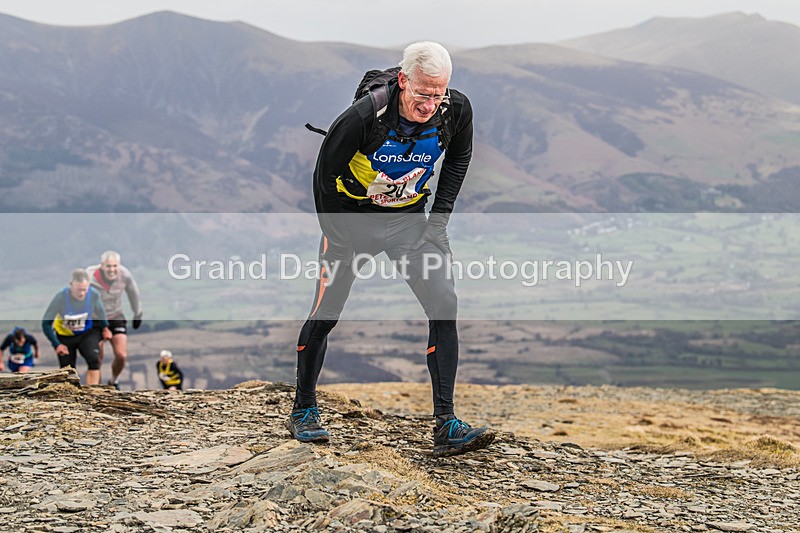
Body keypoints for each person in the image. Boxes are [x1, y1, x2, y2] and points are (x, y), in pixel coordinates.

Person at [286, 41, 494, 457]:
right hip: (352, 220)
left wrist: (438, 221)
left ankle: (446, 423)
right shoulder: (365, 115)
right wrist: (337, 231)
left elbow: (459, 158)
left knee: (444, 303)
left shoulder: (456, 109)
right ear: (403, 82)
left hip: (408, 222)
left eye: (438, 94)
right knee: (327, 310)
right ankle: (304, 409)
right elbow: (324, 174)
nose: (430, 104)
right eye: (422, 94)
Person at [42, 269, 112, 385]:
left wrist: (105, 328)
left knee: (94, 359)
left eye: (85, 290)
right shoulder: (60, 298)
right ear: (71, 285)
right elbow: (46, 324)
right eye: (79, 290)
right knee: (67, 370)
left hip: (86, 333)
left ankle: (92, 393)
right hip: (65, 337)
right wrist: (56, 344)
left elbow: (100, 311)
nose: (82, 293)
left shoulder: (93, 295)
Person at [86, 250, 143, 390]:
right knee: (97, 357)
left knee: (121, 355)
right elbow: (78, 293)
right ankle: (96, 388)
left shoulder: (125, 275)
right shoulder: (90, 275)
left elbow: (133, 293)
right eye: (108, 266)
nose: (112, 269)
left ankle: (113, 380)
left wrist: (137, 313)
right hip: (96, 319)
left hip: (116, 316)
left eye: (114, 266)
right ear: (102, 266)